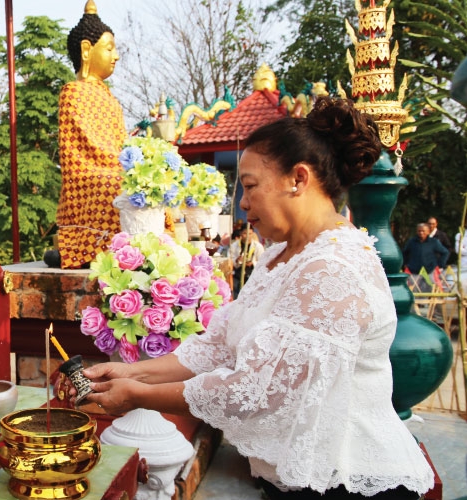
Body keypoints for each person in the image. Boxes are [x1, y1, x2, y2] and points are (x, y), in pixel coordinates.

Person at [70, 97, 433, 499]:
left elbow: (260, 390)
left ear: (298, 179)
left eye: (251, 186)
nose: (242, 204)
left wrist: (140, 396)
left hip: (347, 482)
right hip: (296, 480)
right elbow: (217, 348)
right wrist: (130, 373)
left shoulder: (333, 267)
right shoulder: (282, 255)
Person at [54, 0, 127, 269]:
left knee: (148, 186)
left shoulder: (110, 98)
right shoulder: (73, 92)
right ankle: (90, 246)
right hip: (87, 174)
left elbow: (121, 142)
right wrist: (119, 164)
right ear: (87, 49)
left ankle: (149, 249)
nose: (115, 55)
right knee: (120, 185)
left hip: (114, 166)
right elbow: (84, 144)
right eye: (109, 48)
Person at [228, 226, 264, 297]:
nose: (248, 236)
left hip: (252, 274)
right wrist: (237, 261)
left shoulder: (258, 246)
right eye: (245, 233)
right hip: (238, 274)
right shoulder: (234, 246)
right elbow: (230, 261)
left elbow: (262, 262)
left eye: (250, 234)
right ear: (241, 233)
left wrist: (252, 263)